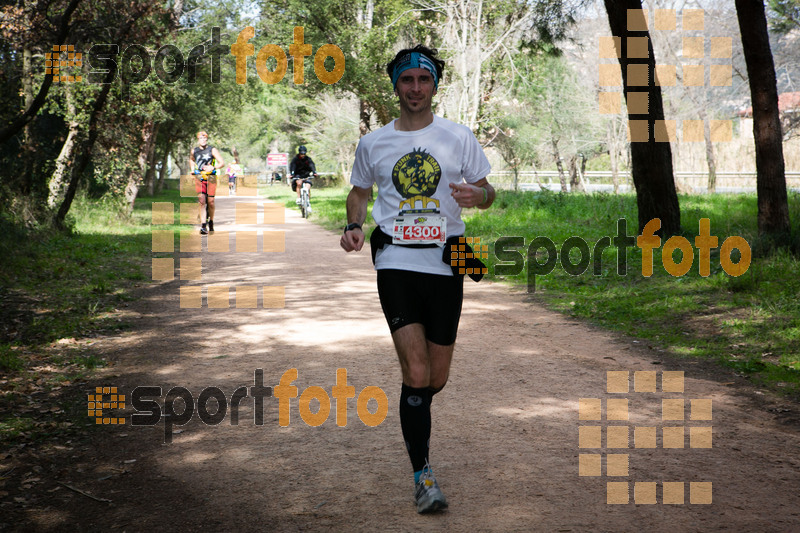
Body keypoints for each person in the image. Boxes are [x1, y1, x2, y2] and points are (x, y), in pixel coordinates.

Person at [340, 45, 495, 514]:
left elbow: (488, 191)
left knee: (436, 379)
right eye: (406, 81)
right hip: (396, 263)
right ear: (395, 86)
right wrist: (353, 224)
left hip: (449, 263)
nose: (414, 89)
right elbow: (359, 191)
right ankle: (423, 475)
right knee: (417, 372)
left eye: (422, 81)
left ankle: (415, 407)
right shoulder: (374, 144)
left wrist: (477, 195)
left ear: (433, 86)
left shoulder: (458, 137)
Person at [189, 131, 224, 234]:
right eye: (201, 138)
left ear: (207, 139)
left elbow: (221, 163)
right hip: (199, 176)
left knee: (211, 202)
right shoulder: (194, 151)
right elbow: (191, 160)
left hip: (211, 176)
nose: (203, 140)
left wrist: (213, 167)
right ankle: (203, 226)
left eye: (204, 138)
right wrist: (192, 169)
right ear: (198, 140)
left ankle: (211, 221)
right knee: (202, 201)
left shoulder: (212, 150)